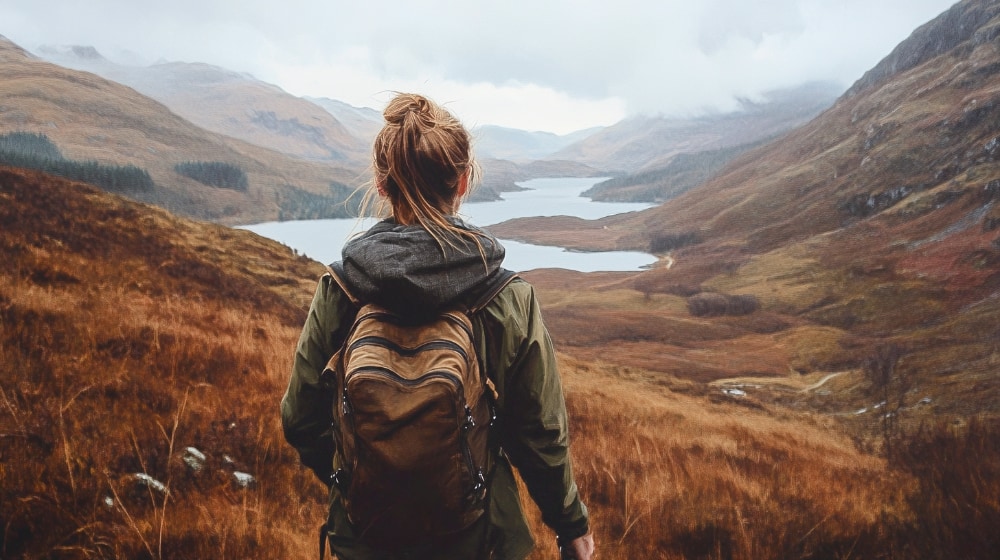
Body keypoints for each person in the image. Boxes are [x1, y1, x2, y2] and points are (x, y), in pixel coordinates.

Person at [281, 92, 594, 560]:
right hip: (478, 540)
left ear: (382, 185)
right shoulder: (504, 296)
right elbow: (539, 432)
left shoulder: (343, 289)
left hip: (365, 539)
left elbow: (300, 418)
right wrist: (571, 526)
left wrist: (365, 479)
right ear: (464, 181)